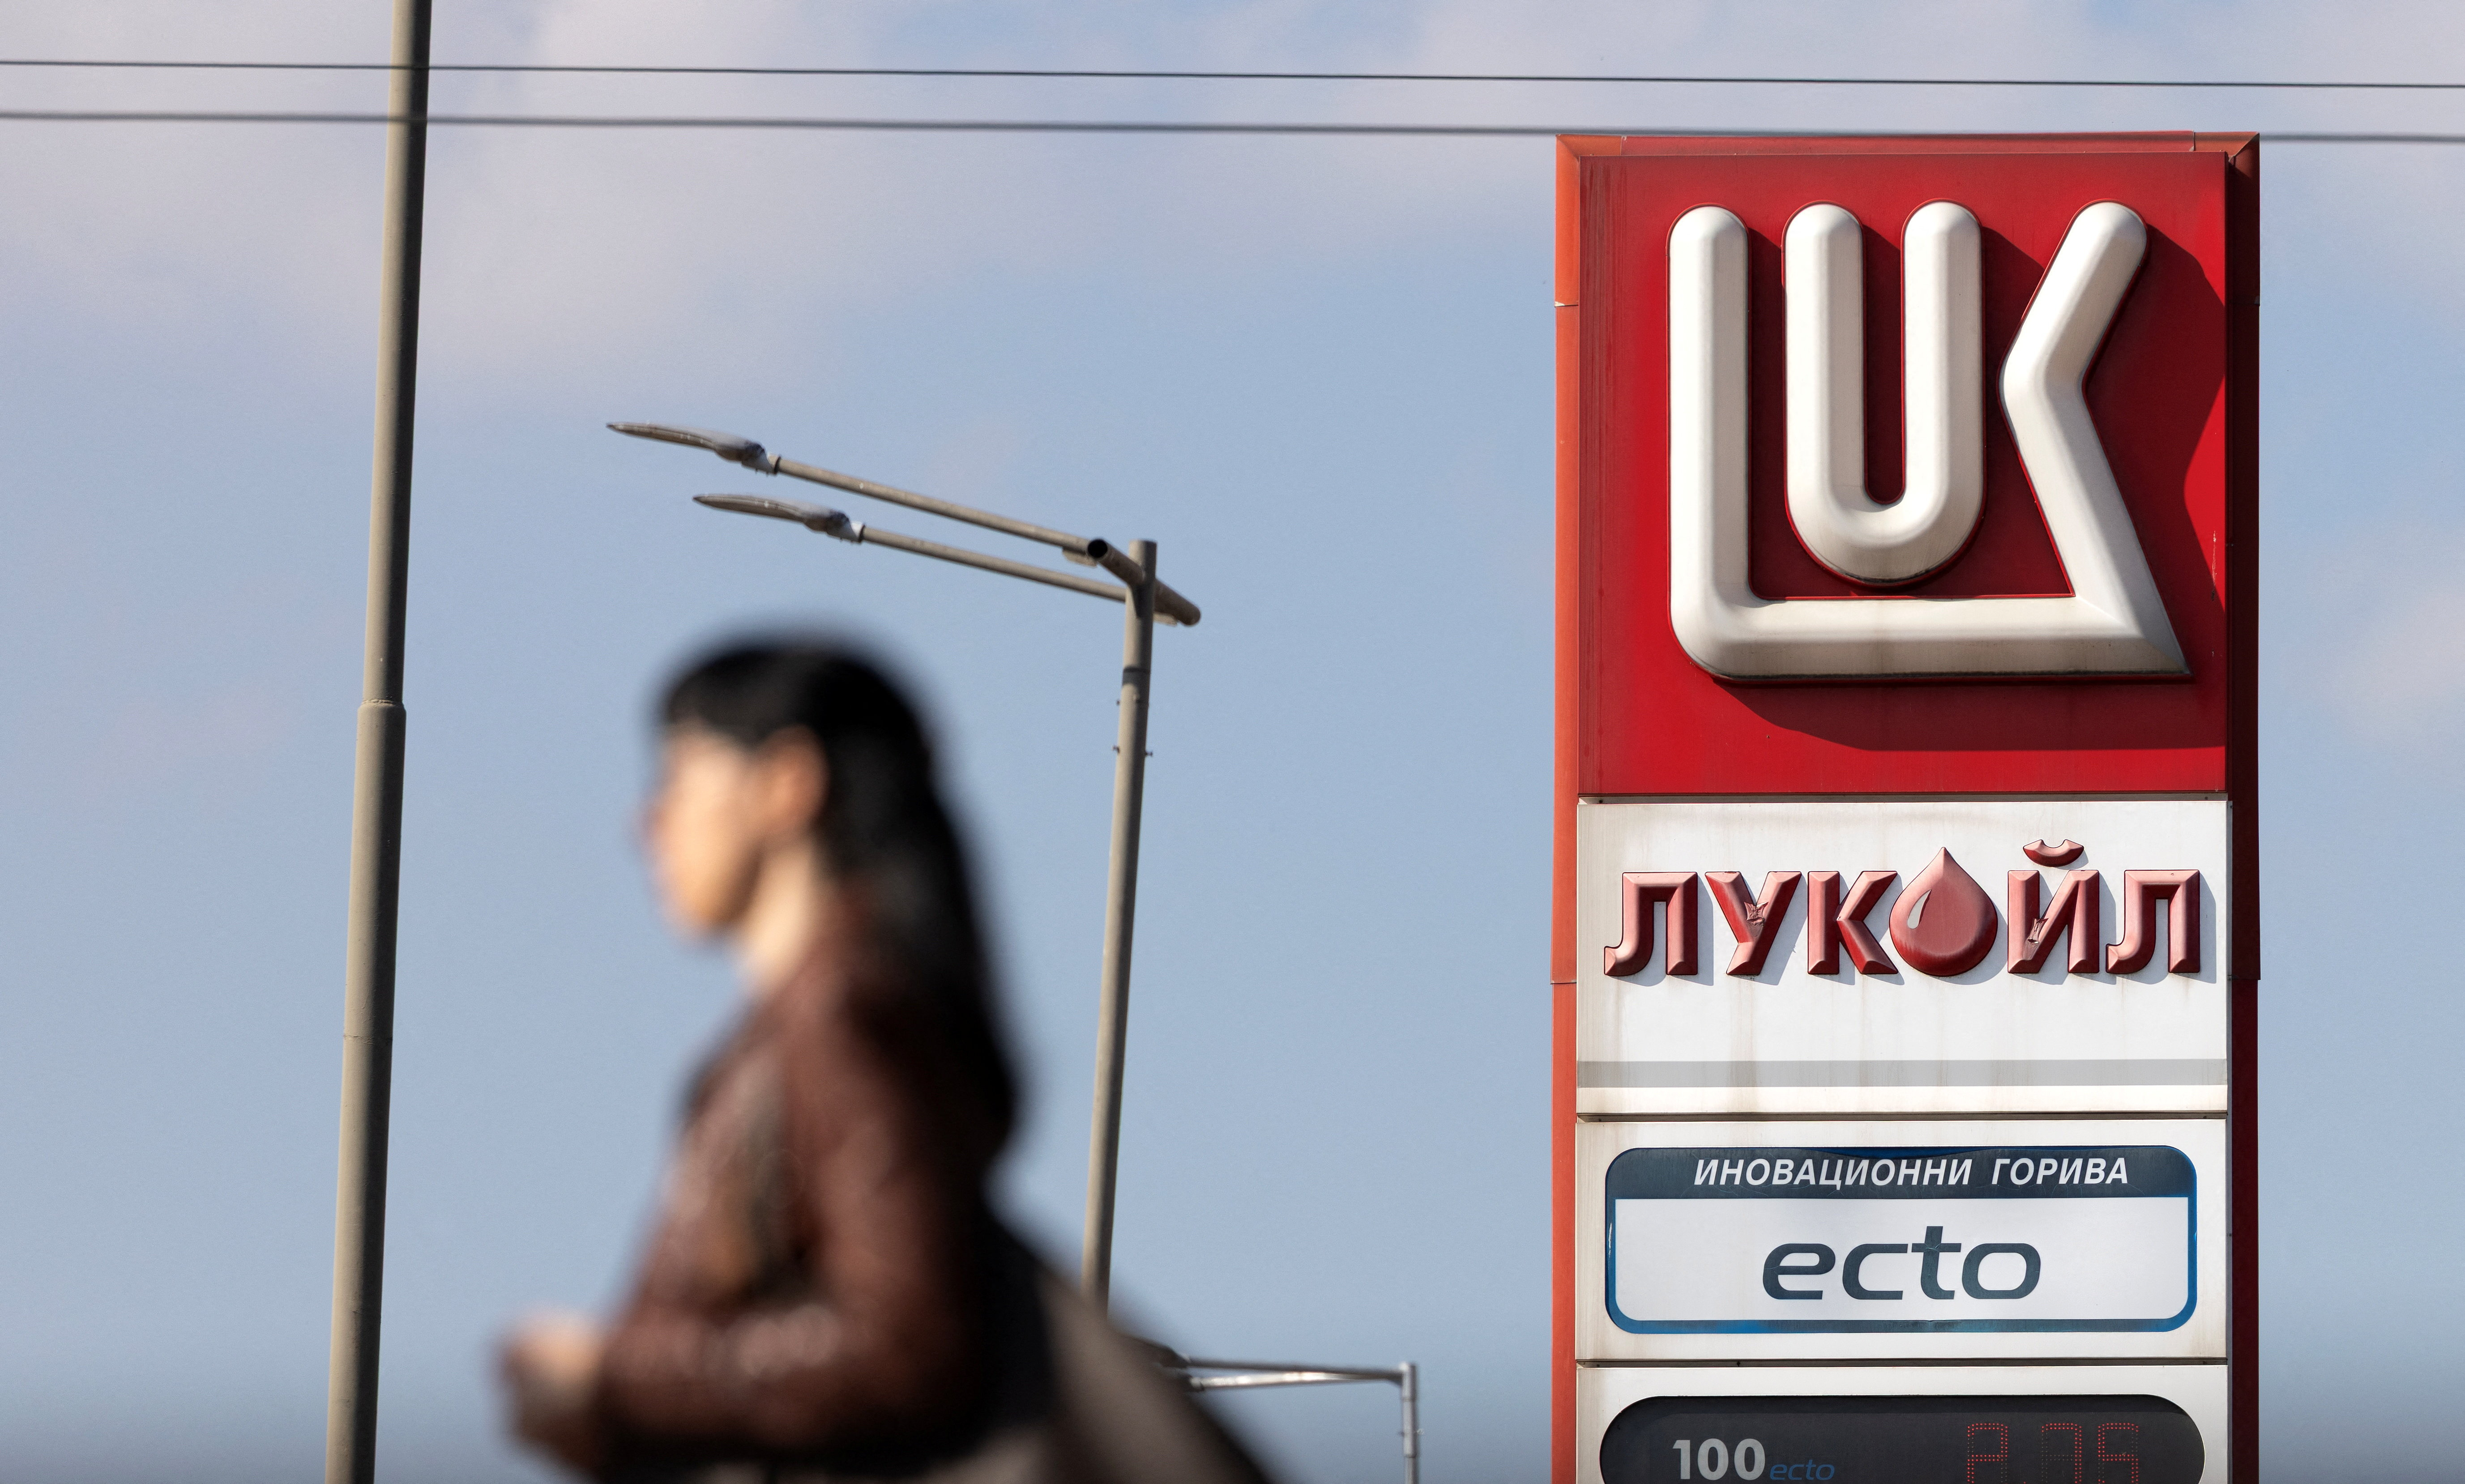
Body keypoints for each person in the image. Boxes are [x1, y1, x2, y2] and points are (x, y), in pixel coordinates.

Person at [500, 639, 1270, 1484]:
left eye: (680, 777)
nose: (647, 822)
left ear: (788, 783)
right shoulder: (811, 1021)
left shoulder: (838, 1015)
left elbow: (904, 1346)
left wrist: (614, 1379)